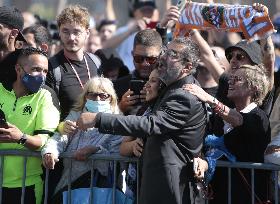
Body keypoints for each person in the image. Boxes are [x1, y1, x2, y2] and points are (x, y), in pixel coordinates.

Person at [76, 37, 207, 204]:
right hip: (157, 183)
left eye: (173, 54)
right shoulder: (171, 89)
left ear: (188, 67)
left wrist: (99, 119)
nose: (164, 56)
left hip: (171, 188)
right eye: (166, 50)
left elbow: (151, 124)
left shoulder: (184, 95)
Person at [183, 64, 271, 204]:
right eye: (230, 79)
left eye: (237, 79)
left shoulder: (259, 118)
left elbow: (238, 119)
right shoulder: (221, 119)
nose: (230, 82)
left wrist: (209, 99)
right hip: (220, 194)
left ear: (254, 87)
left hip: (245, 197)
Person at [42, 77, 123, 204]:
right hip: (70, 183)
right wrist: (50, 151)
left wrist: (95, 150)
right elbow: (59, 138)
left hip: (101, 187)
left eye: (103, 96)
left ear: (111, 98)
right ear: (85, 97)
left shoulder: (117, 120)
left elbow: (118, 151)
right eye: (92, 95)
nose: (97, 99)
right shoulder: (75, 115)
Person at [0, 47, 60, 204]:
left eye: (45, 71)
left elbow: (43, 141)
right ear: (18, 69)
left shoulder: (45, 97)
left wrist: (20, 138)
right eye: (36, 69)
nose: (42, 75)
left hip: (27, 185)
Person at [46, 4, 100, 120]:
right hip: (67, 135)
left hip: (97, 134)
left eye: (76, 32)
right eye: (65, 31)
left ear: (87, 33)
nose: (71, 37)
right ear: (59, 32)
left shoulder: (96, 62)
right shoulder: (52, 68)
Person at [114, 29, 162, 115]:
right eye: (139, 58)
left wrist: (157, 99)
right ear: (132, 54)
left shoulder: (169, 86)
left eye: (151, 59)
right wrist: (120, 107)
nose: (144, 64)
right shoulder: (117, 86)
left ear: (160, 56)